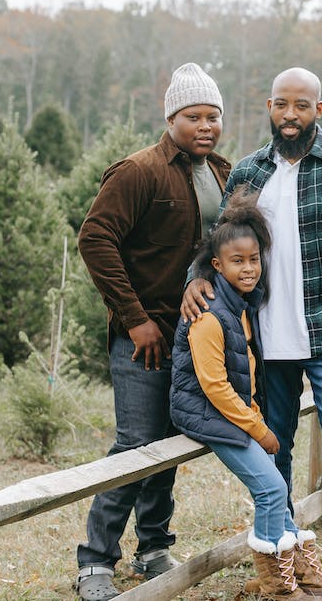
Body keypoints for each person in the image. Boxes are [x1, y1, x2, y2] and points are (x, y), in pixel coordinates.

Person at [182, 67, 322, 601]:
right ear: (270, 106)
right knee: (272, 448)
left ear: (319, 110)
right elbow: (222, 246)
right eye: (281, 105)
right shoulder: (248, 173)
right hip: (263, 341)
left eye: (302, 106)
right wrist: (195, 281)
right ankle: (279, 569)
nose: (290, 115)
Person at [74, 62, 229, 601]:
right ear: (170, 118)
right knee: (136, 444)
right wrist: (135, 318)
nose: (205, 126)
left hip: (193, 338)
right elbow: (95, 239)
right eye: (193, 116)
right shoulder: (138, 171)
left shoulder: (222, 173)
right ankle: (95, 560)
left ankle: (154, 548)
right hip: (145, 337)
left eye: (213, 116)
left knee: (171, 442)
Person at [169, 191, 322, 601]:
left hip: (234, 411)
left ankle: (296, 571)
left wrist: (255, 417)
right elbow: (215, 386)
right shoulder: (208, 313)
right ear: (217, 265)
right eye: (237, 261)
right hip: (207, 413)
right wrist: (259, 428)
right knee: (272, 490)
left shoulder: (244, 302)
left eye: (254, 258)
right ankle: (278, 587)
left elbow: (248, 374)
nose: (249, 267)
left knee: (276, 485)